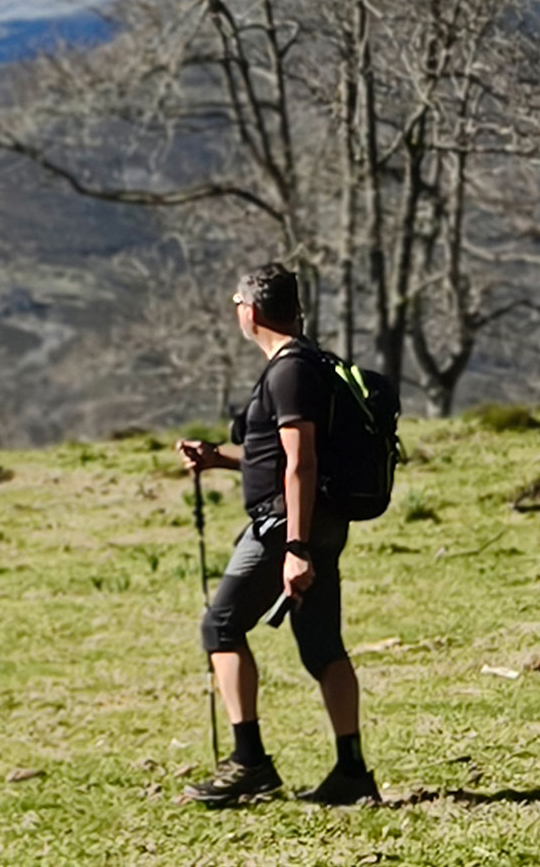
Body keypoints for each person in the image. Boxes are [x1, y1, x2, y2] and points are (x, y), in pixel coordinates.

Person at [172, 262, 379, 808]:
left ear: (253, 309)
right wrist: (221, 458)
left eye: (237, 302)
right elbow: (277, 457)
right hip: (317, 523)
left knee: (221, 627)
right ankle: (352, 772)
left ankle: (249, 762)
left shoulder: (288, 371)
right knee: (321, 647)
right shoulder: (310, 364)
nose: (237, 310)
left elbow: (300, 464)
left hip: (285, 529)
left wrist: (294, 548)